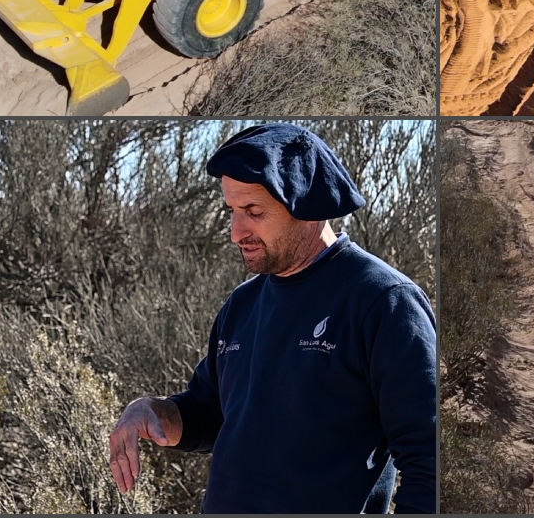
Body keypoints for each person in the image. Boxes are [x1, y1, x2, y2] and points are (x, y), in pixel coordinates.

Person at [108, 123, 436, 514]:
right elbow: (211, 413)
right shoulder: (242, 305)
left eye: (253, 211)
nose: (235, 232)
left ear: (308, 206)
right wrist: (150, 411)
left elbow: (429, 459)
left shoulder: (382, 301)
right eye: (232, 210)